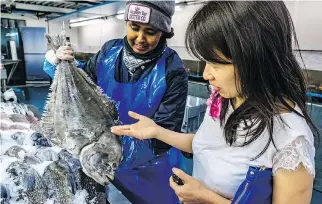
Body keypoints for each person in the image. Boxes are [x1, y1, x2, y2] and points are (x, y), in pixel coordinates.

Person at [111, 1, 320, 203]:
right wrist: (157, 131)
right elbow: (207, 145)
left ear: (255, 59)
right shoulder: (228, 99)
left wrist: (206, 198)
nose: (206, 75)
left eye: (216, 63)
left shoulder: (291, 140)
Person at [43, 1, 188, 203]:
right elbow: (83, 82)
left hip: (152, 172)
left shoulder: (173, 70)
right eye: (134, 28)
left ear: (164, 32)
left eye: (151, 32)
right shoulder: (109, 51)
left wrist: (110, 152)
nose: (140, 38)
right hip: (105, 165)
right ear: (127, 23)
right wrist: (59, 65)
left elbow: (165, 133)